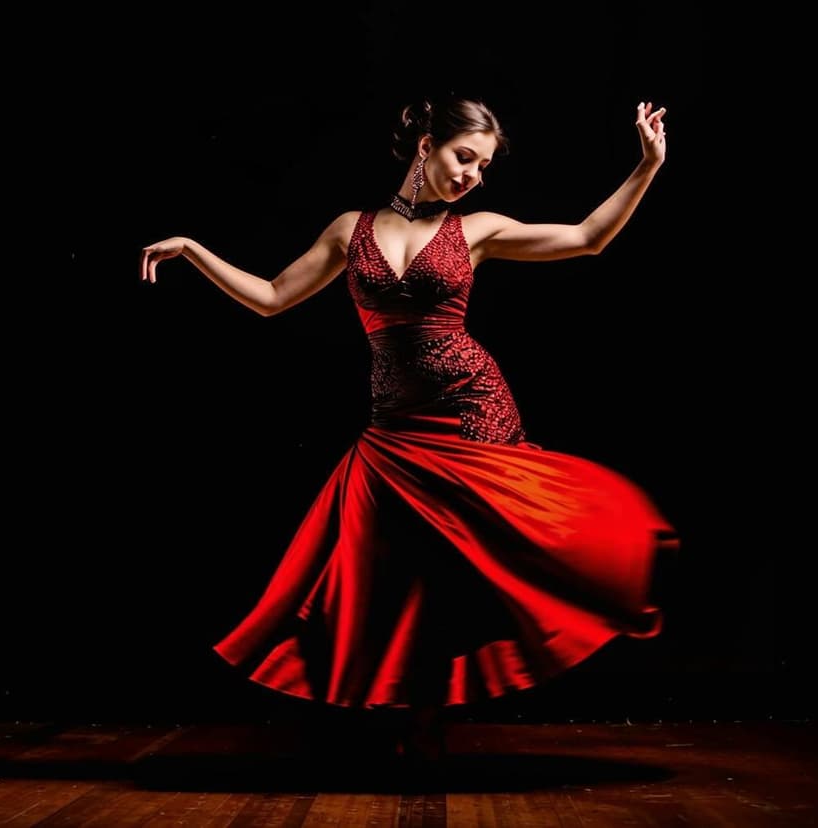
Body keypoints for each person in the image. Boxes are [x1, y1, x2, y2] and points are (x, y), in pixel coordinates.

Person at [140, 95, 677, 765]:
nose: (472, 176)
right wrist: (193, 249)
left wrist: (647, 165)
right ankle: (401, 713)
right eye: (463, 158)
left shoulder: (477, 229)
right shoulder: (349, 230)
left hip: (470, 410)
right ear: (425, 144)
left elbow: (587, 237)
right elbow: (274, 298)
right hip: (394, 425)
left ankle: (424, 722)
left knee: (476, 556)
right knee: (388, 569)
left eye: (482, 166)